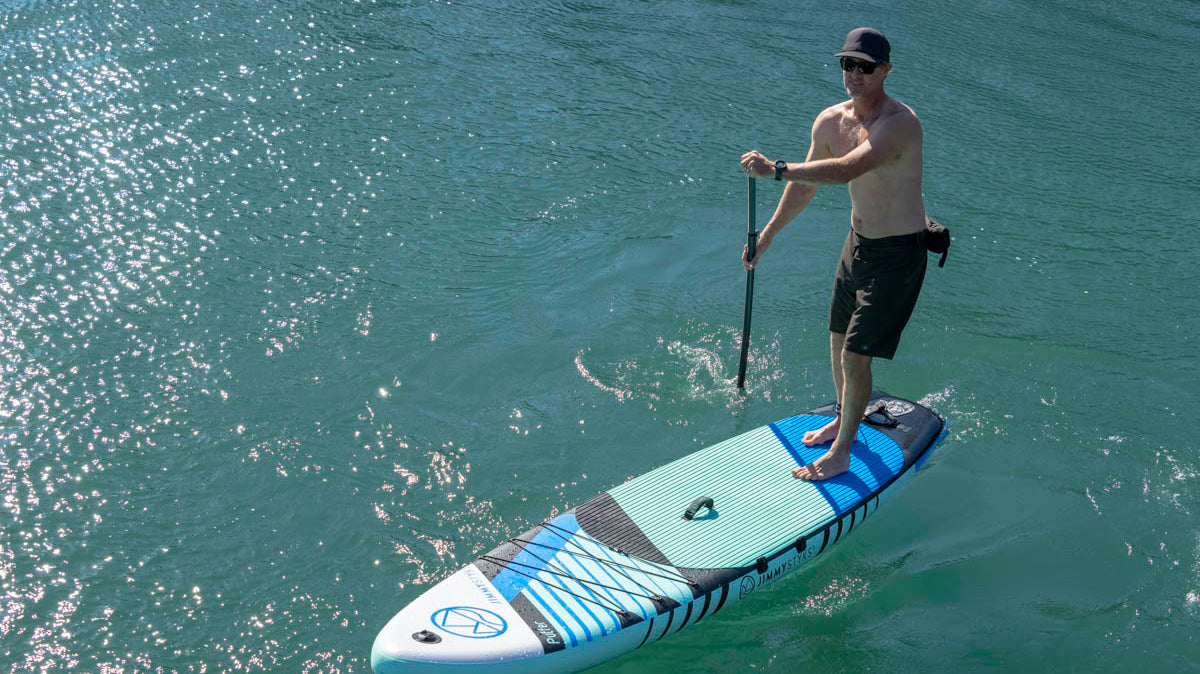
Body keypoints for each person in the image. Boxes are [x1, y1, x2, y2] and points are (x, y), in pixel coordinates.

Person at [739, 27, 927, 482]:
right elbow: (807, 186)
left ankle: (844, 450)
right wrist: (766, 237)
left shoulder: (900, 123)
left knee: (856, 354)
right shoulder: (829, 121)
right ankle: (845, 418)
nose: (854, 74)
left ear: (885, 70)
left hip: (898, 253)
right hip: (857, 245)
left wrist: (777, 168)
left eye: (865, 67)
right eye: (848, 64)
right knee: (838, 339)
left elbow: (845, 171)